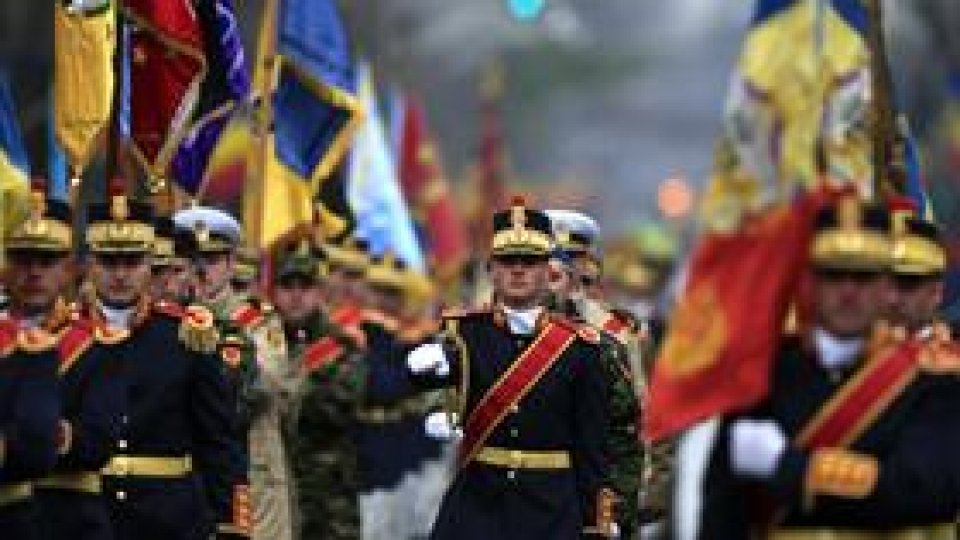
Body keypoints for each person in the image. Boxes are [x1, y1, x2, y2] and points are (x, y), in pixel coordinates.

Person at [694, 196, 960, 539]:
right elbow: (723, 514)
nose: (848, 291)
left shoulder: (932, 378)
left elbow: (923, 490)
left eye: (863, 276)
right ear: (811, 283)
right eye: (834, 275)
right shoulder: (763, 377)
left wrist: (791, 467)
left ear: (885, 286)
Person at [407, 196, 614, 539]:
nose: (518, 270)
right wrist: (421, 372)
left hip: (551, 511)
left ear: (548, 271)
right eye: (507, 261)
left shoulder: (581, 348)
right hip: (479, 505)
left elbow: (591, 447)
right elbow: (434, 384)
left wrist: (596, 522)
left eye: (529, 261)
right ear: (491, 270)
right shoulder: (465, 333)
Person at [84, 189, 249, 539]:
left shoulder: (188, 335)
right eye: (109, 262)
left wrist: (231, 526)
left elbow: (219, 443)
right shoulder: (66, 335)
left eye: (132, 262)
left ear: (150, 264)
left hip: (169, 521)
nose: (120, 274)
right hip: (86, 519)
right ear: (90, 265)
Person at [174, 206, 293, 540]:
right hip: (188, 468)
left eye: (212, 261)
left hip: (251, 467)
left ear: (230, 265)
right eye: (194, 261)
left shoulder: (256, 322)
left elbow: (266, 382)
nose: (202, 271)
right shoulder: (171, 319)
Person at [547, 209, 645, 539]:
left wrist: (623, 509)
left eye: (572, 260)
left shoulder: (616, 332)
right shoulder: (504, 325)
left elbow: (635, 424)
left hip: (598, 492)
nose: (562, 270)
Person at [270, 234, 365, 540]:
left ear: (319, 291)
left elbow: (343, 404)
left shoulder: (341, 343)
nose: (296, 296)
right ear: (274, 291)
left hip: (328, 497)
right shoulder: (260, 341)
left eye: (305, 286)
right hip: (273, 489)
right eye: (288, 286)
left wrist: (290, 392)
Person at [0, 182, 66, 539]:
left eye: (46, 261)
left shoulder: (92, 338)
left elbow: (36, 446)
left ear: (67, 268)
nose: (34, 272)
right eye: (22, 259)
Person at [887, 212, 946, 336]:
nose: (892, 298)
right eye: (887, 285)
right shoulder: (860, 344)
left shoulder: (949, 348)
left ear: (936, 292)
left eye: (906, 286)